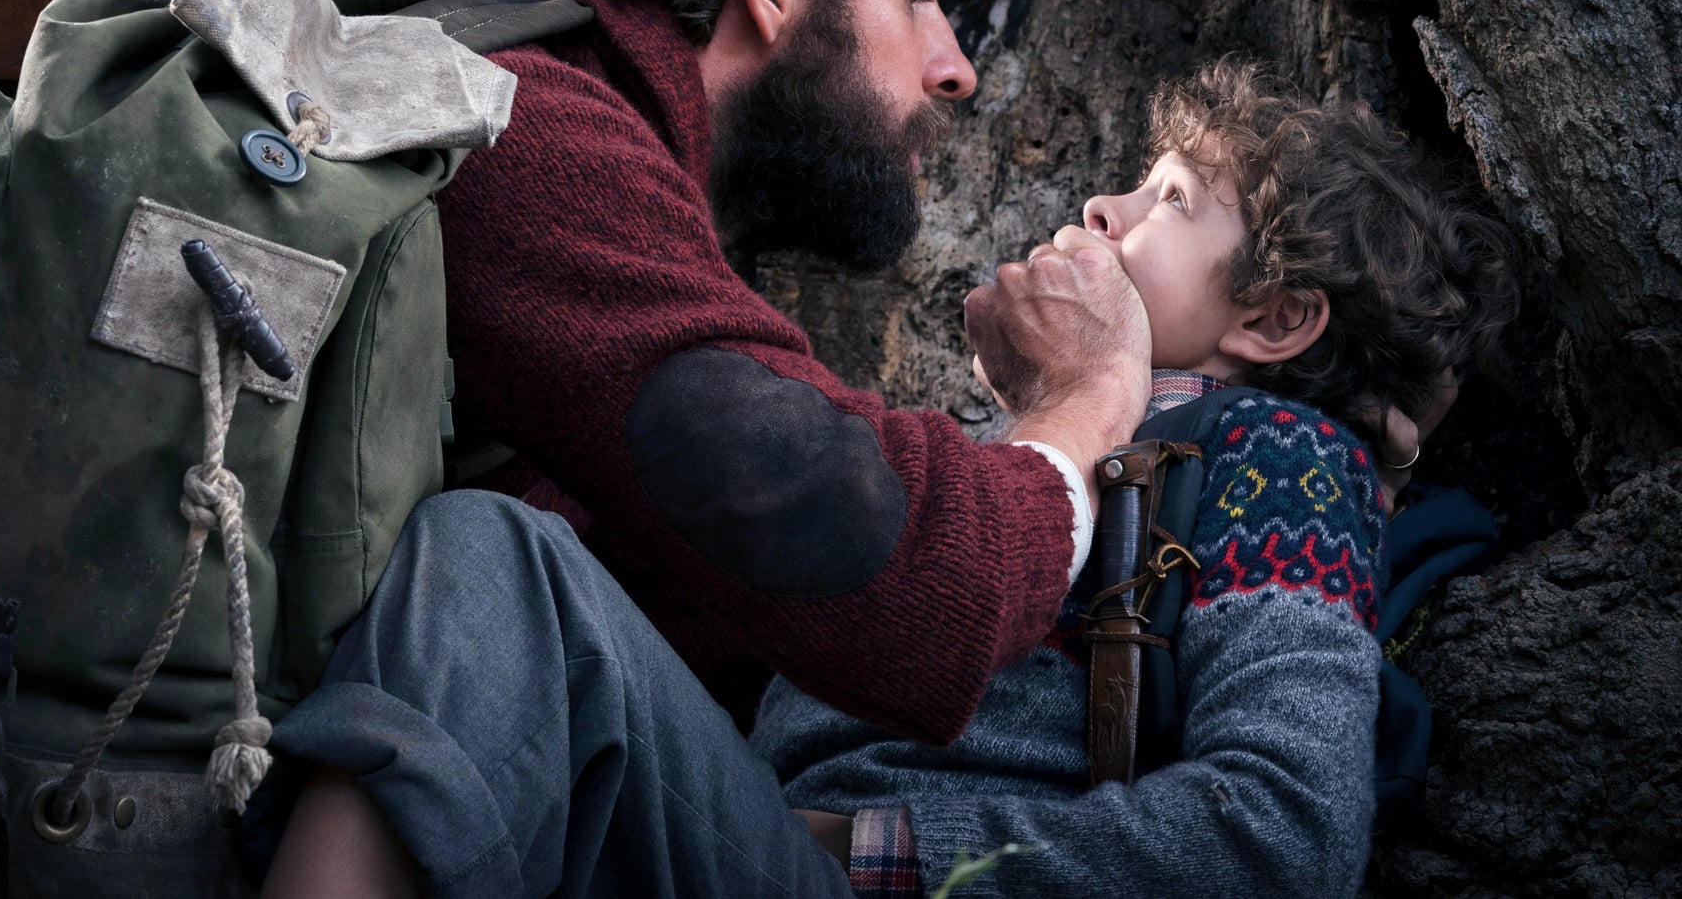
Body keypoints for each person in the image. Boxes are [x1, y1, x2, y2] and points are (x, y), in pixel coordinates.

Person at [254, 58, 1515, 898]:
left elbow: (1280, 834)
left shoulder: (1276, 462)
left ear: (1279, 322)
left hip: (852, 875)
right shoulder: (1019, 442)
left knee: (496, 564)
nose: (1101, 204)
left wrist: (885, 854)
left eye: (1171, 198)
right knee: (490, 547)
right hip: (756, 840)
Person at [429, 0, 1152, 738]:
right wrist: (1091, 396)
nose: (954, 68)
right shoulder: (527, 138)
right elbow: (911, 593)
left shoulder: (601, 157)